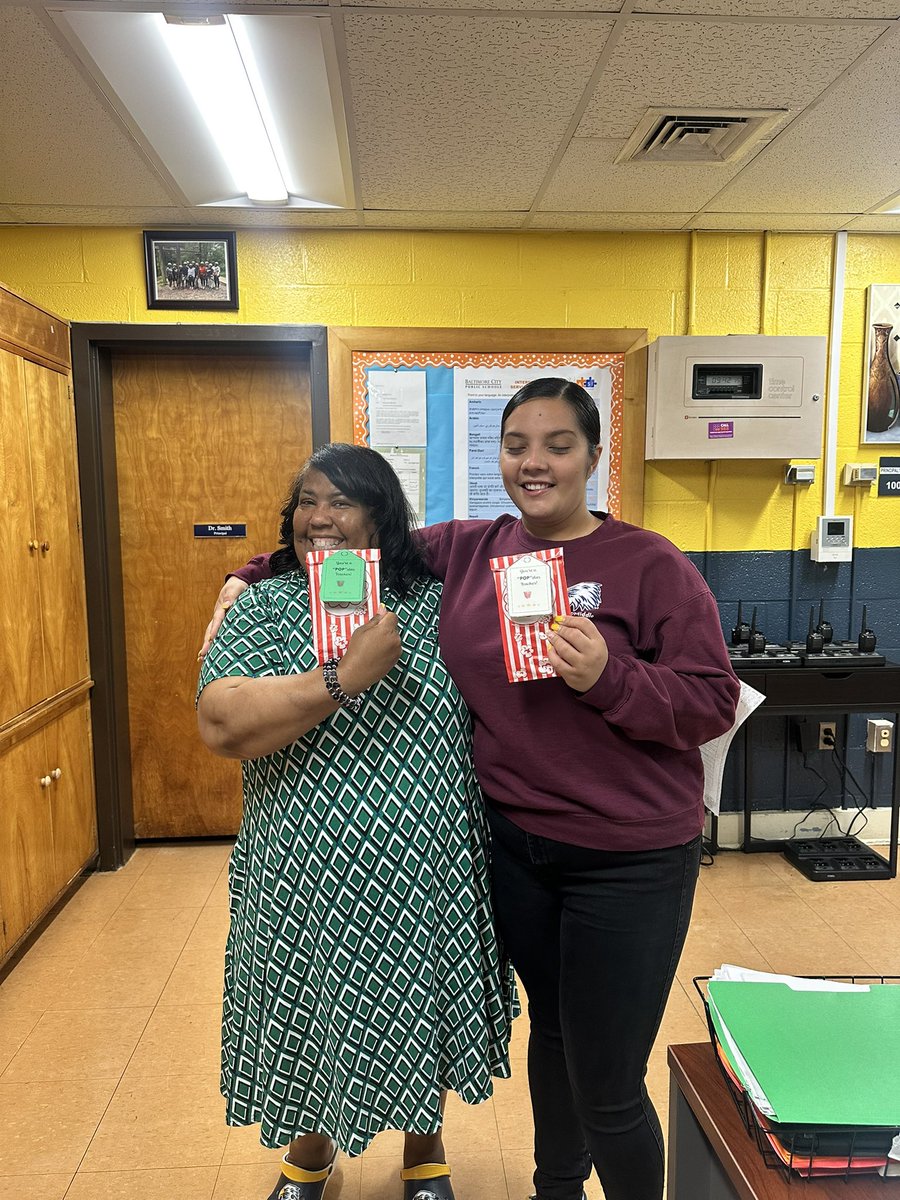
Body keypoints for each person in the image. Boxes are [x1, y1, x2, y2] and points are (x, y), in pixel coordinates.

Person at [201, 380, 740, 1200]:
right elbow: (351, 532)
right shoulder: (473, 550)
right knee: (555, 1040)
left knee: (608, 1078)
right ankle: (555, 1189)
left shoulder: (649, 562)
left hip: (627, 857)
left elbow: (711, 701)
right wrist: (250, 572)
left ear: (595, 456)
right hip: (517, 852)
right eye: (518, 444)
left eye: (559, 444)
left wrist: (612, 677)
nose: (535, 462)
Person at [197, 443, 516, 1200]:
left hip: (422, 876)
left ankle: (425, 1156)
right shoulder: (266, 606)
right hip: (302, 879)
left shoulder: (436, 610)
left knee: (418, 1006)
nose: (320, 517)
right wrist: (339, 678)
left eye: (340, 501)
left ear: (381, 514)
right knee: (306, 1005)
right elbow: (221, 723)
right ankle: (310, 1158)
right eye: (308, 501)